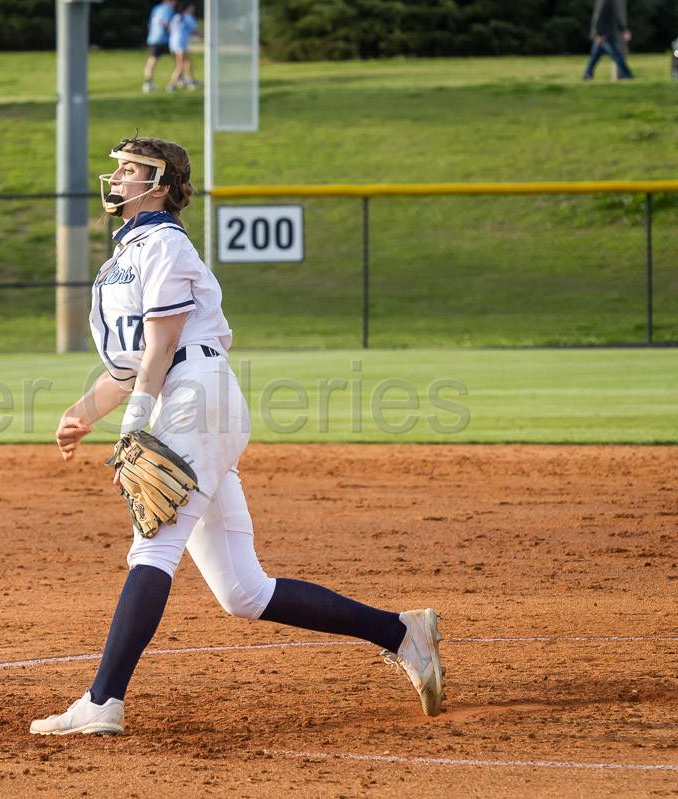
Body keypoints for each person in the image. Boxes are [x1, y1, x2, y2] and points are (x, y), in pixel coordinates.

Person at [30, 136, 446, 736]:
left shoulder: (166, 242)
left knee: (153, 546)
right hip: (184, 398)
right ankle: (402, 633)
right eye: (117, 168)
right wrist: (83, 412)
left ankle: (103, 701)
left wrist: (136, 418)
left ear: (163, 185)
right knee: (244, 592)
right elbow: (127, 365)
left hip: (196, 395)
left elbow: (165, 344)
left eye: (131, 169)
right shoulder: (120, 258)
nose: (116, 177)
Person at [583, 0, 633, 80]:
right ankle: (627, 75)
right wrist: (599, 35)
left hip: (605, 36)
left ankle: (587, 75)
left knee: (595, 57)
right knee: (617, 56)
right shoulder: (606, 2)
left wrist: (624, 30)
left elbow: (615, 17)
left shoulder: (611, 2)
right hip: (605, 36)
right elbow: (599, 18)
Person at [142, 0, 177, 93]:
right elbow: (166, 24)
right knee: (179, 60)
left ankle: (147, 83)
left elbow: (150, 23)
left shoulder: (156, 8)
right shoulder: (169, 9)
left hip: (153, 39)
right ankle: (177, 81)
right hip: (165, 39)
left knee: (152, 60)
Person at [166, 4, 200, 92]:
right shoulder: (187, 17)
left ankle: (191, 81)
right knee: (180, 65)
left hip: (172, 43)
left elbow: (169, 29)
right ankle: (172, 85)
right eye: (192, 7)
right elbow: (194, 30)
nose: (193, 9)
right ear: (188, 8)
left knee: (188, 61)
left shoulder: (176, 16)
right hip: (180, 43)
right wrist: (205, 36)